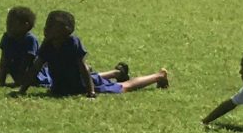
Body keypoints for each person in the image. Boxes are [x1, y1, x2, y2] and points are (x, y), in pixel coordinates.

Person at [18, 10, 166, 97]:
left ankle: (158, 76)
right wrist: (22, 90)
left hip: (82, 85)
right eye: (47, 26)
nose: (46, 30)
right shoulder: (47, 44)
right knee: (98, 77)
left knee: (124, 87)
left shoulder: (72, 43)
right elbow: (36, 67)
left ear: (65, 31)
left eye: (51, 28)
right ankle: (116, 73)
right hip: (63, 87)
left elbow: (83, 68)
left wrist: (91, 93)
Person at [0, 6, 43, 87]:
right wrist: (1, 83)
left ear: (26, 25)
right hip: (17, 73)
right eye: (7, 22)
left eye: (12, 23)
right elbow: (3, 61)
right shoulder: (7, 37)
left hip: (35, 77)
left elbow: (27, 62)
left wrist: (20, 82)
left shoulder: (30, 39)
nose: (8, 26)